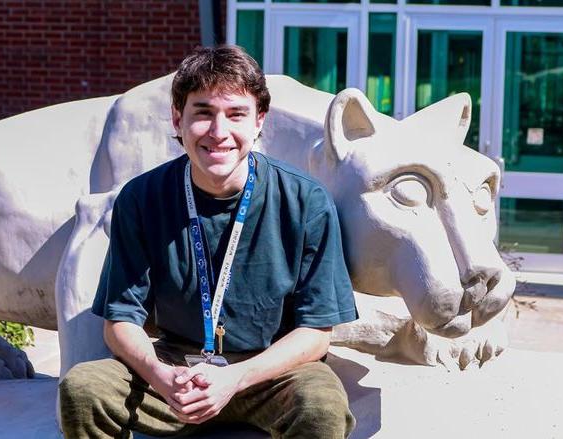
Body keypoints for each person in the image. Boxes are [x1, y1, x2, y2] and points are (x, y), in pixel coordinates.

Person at [59, 45, 358, 438]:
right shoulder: (142, 198)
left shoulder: (306, 201)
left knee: (321, 407)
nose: (219, 132)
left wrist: (235, 379)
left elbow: (317, 332)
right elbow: (120, 321)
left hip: (270, 372)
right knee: (83, 389)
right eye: (203, 113)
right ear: (177, 118)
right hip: (174, 370)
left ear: (259, 121)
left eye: (236, 114)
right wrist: (161, 375)